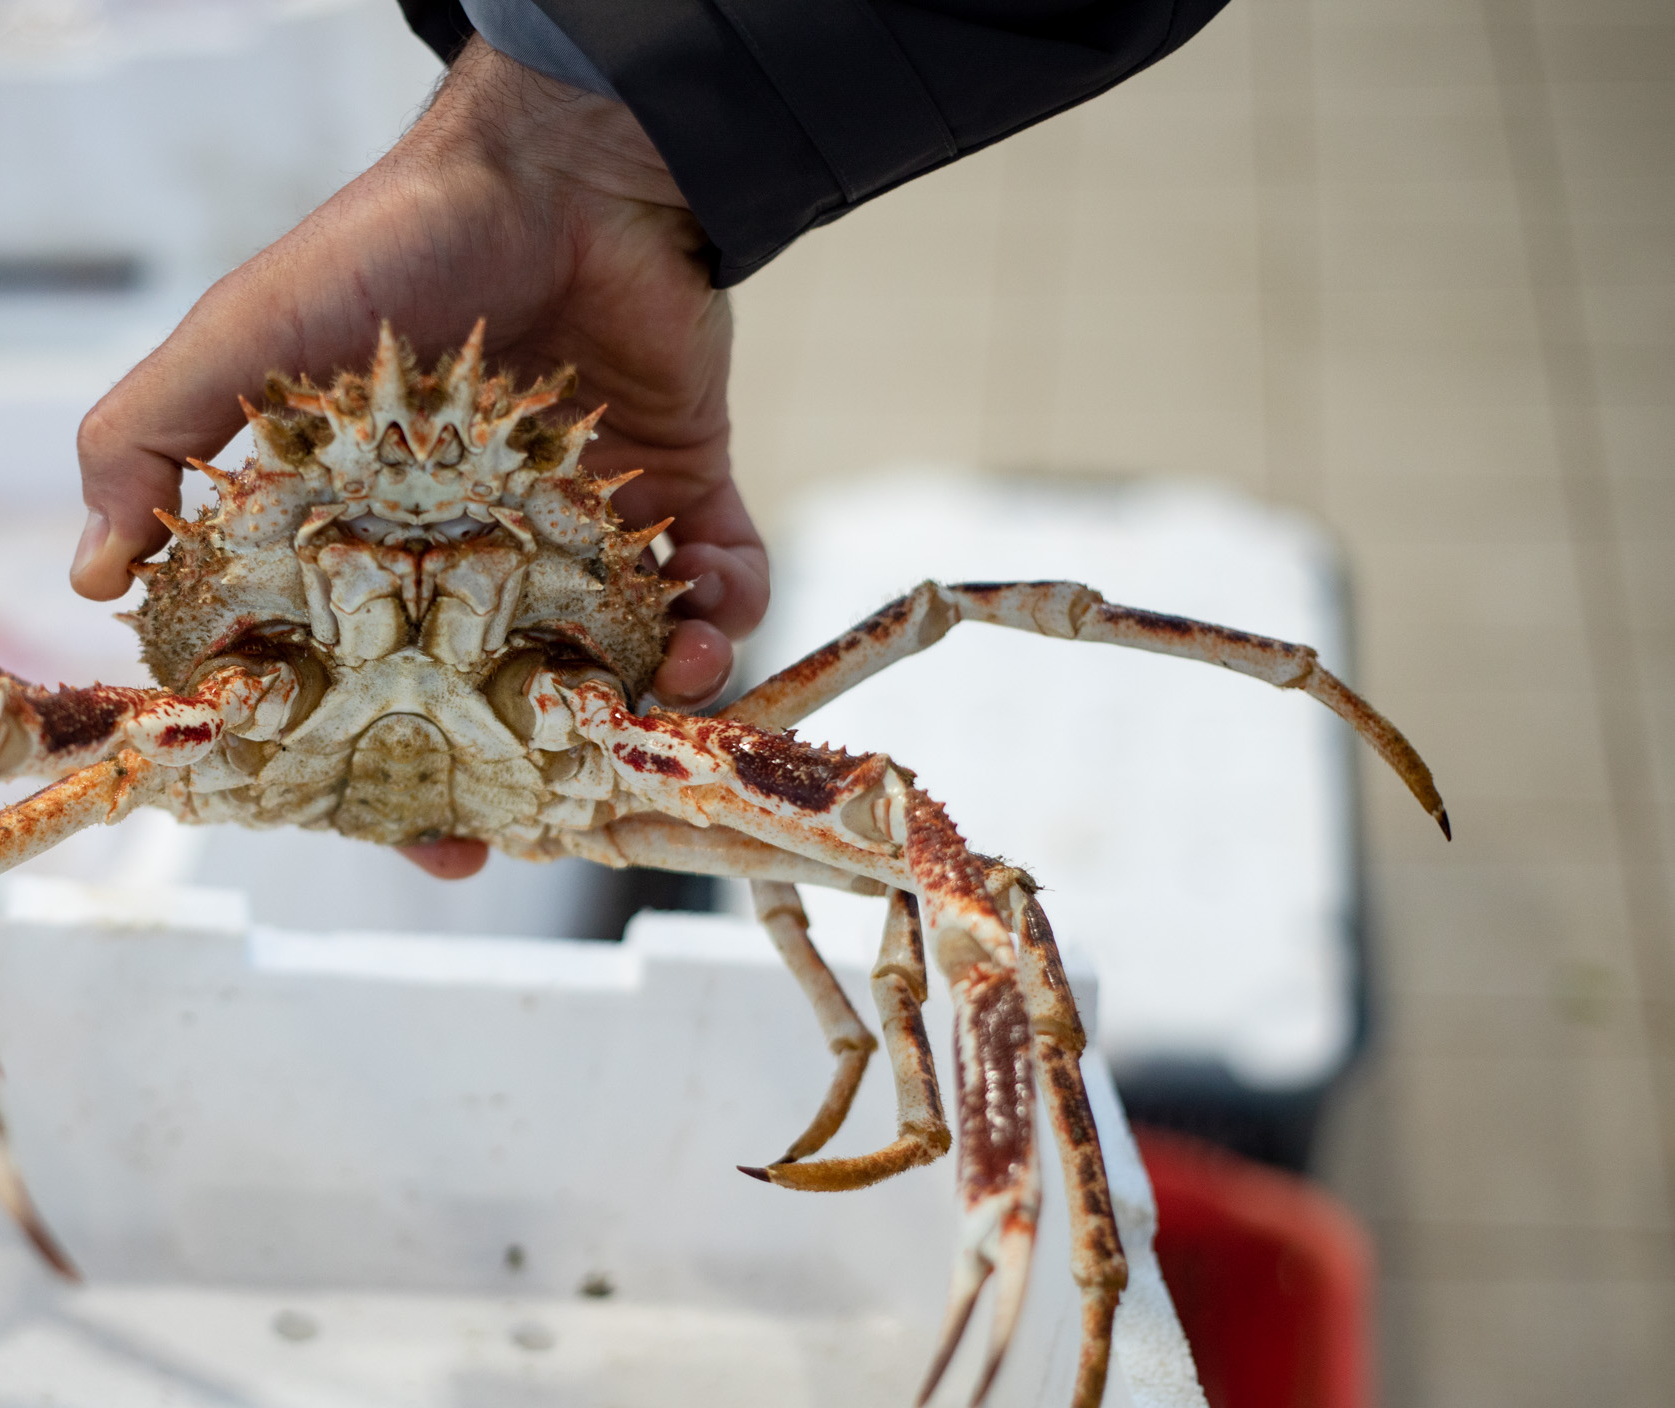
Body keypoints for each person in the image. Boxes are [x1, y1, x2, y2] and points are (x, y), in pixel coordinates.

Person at [71, 0, 1228, 878]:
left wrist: (544, 138)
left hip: (590, 739)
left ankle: (916, 1101)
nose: (416, 545)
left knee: (947, 869)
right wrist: (553, 136)